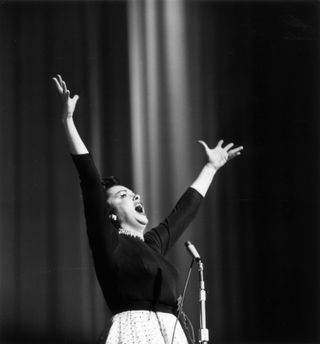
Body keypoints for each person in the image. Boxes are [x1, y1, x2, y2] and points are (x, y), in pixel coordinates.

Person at [52, 74, 243, 344]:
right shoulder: (110, 243)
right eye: (123, 195)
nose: (135, 195)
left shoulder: (152, 244)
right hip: (133, 332)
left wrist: (210, 168)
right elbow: (91, 181)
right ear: (111, 214)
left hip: (171, 333)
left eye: (133, 193)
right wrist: (68, 121)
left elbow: (184, 211)